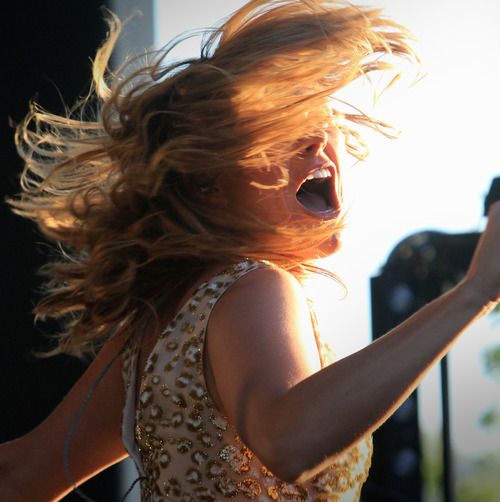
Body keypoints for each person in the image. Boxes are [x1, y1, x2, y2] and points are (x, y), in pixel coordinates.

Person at [1, 0, 499, 500]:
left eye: (324, 124)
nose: (318, 144)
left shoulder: (152, 329)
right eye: (283, 131)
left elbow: (19, 475)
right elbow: (289, 441)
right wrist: (474, 291)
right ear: (207, 181)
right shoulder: (255, 284)